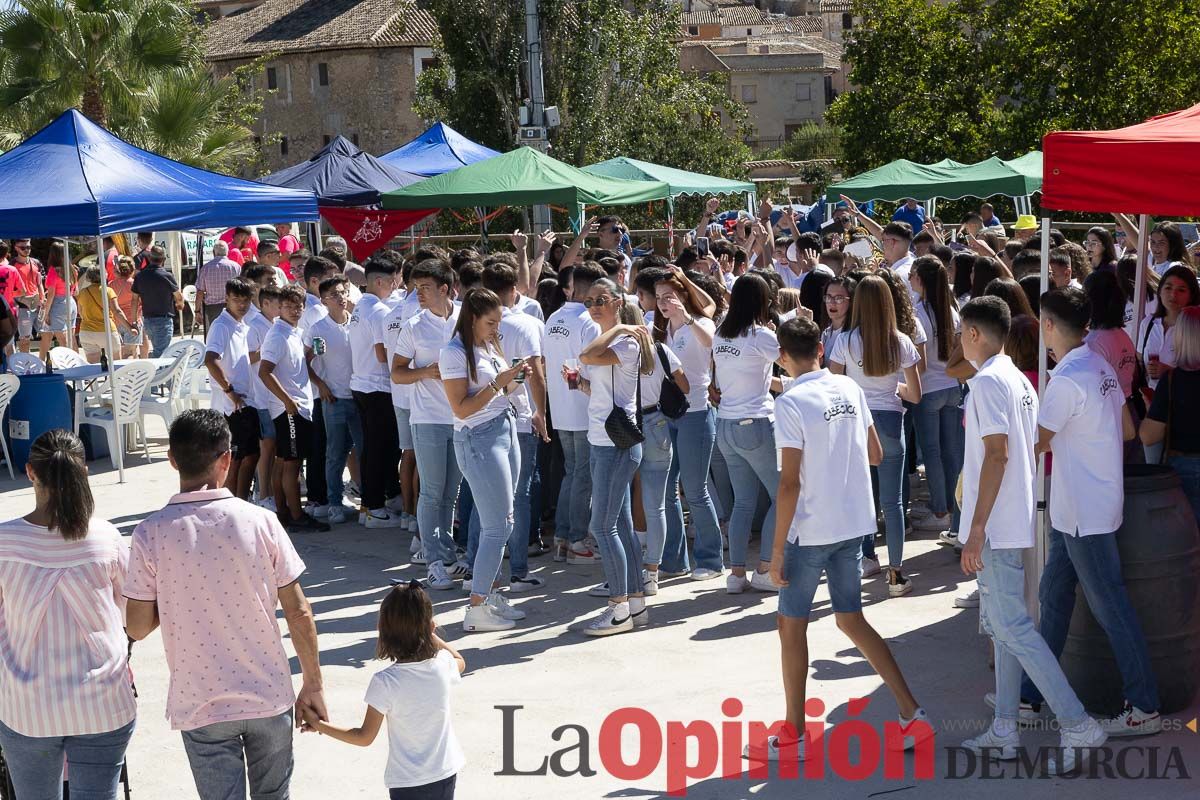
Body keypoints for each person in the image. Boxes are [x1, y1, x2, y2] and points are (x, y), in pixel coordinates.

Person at [747, 317, 932, 763]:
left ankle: (793, 734)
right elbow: (875, 453)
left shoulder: (791, 401)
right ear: (820, 347)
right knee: (851, 619)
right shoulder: (848, 388)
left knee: (791, 626)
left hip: (810, 531)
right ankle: (911, 712)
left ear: (783, 357)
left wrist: (774, 553)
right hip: (853, 525)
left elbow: (788, 483)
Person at [125, 410, 325, 800]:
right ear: (227, 459)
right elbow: (299, 611)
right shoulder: (261, 522)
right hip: (269, 696)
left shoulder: (150, 534)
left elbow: (135, 627)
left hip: (201, 703)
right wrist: (313, 684)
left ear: (171, 459)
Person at [956, 296, 1107, 773]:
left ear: (975, 334)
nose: (959, 340)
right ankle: (1005, 727)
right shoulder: (1017, 379)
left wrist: (976, 528)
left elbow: (997, 455)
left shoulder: (988, 384)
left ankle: (1077, 722)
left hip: (998, 526)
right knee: (1005, 630)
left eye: (962, 332)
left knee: (1014, 629)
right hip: (1012, 520)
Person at [1017, 287, 1161, 735]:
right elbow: (1125, 429)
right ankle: (1030, 696)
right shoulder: (1097, 364)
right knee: (1054, 595)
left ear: (1047, 325)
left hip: (1082, 513)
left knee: (1109, 607)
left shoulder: (1066, 378)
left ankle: (1144, 707)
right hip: (1084, 507)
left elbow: (1033, 445)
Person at [0, 429, 136, 799]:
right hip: (103, 703)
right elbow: (131, 617)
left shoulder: (4, 542)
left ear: (31, 472)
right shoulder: (107, 539)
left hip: (27, 708)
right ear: (84, 472)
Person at [301, 582, 465, 799]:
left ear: (383, 631)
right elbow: (459, 659)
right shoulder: (442, 666)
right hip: (446, 773)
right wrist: (429, 633)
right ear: (431, 627)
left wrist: (318, 724)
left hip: (409, 783)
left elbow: (364, 737)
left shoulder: (386, 682)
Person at [439, 289, 531, 630]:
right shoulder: (454, 353)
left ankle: (489, 597)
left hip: (502, 428)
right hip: (478, 437)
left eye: (498, 322)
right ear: (472, 318)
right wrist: (498, 385)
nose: (495, 329)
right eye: (490, 322)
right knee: (496, 527)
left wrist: (514, 381)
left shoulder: (487, 346)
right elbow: (460, 408)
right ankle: (476, 608)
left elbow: (499, 392)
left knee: (504, 523)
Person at [829, 276, 922, 594]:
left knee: (859, 500)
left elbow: (833, 386)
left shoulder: (845, 340)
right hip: (891, 424)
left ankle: (859, 562)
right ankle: (896, 574)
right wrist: (891, 386)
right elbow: (915, 395)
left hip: (856, 425)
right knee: (893, 504)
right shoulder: (902, 341)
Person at [576, 279, 654, 634]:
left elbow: (587, 355)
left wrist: (619, 325)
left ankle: (619, 606)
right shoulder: (615, 338)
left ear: (617, 302)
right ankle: (635, 604)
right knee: (619, 524)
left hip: (615, 445)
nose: (594, 306)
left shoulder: (625, 339)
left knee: (602, 527)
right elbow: (605, 386)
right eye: (589, 300)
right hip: (604, 440)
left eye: (601, 300)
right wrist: (581, 386)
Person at [394, 259, 468, 588]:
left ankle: (448, 556)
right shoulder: (413, 325)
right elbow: (396, 372)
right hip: (427, 419)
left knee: (451, 493)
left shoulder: (466, 316)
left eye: (425, 287)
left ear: (445, 289)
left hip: (461, 416)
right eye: (415, 287)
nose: (418, 293)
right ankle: (433, 560)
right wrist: (426, 372)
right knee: (432, 492)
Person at [712, 273, 782, 593]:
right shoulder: (761, 335)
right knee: (782, 496)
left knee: (742, 503)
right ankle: (765, 568)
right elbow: (792, 362)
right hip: (754, 423)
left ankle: (736, 574)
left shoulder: (720, 334)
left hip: (725, 424)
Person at [482, 263, 550, 592]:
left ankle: (480, 571)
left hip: (484, 417)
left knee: (486, 498)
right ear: (513, 290)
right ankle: (518, 570)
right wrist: (540, 412)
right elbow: (535, 372)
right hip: (520, 417)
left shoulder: (469, 324)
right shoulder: (527, 323)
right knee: (518, 498)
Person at [654, 271, 725, 581]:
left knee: (695, 490)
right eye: (658, 298)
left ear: (682, 295)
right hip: (667, 415)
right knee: (666, 490)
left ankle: (710, 559)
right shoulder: (659, 329)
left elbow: (712, 344)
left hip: (696, 413)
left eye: (668, 296)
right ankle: (674, 560)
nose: (663, 303)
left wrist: (688, 318)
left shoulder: (700, 323)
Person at [542, 262, 605, 564]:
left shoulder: (554, 317)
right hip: (583, 406)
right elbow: (592, 367)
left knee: (572, 472)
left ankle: (564, 537)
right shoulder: (588, 322)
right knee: (582, 476)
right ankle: (577, 539)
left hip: (561, 407)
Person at [260, 284, 329, 533]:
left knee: (284, 462)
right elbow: (264, 371)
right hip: (289, 409)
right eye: (288, 305)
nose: (294, 309)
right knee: (292, 464)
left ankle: (284, 513)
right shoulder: (277, 335)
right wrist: (288, 400)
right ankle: (296, 515)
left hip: (298, 406)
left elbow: (296, 366)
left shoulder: (293, 332)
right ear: (279, 307)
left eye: (298, 305)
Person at [909, 256, 962, 536]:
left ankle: (940, 510)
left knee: (933, 453)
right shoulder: (951, 309)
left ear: (922, 279)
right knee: (950, 451)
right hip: (951, 386)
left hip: (928, 389)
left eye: (913, 274)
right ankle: (953, 509)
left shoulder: (918, 311)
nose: (909, 278)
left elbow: (919, 361)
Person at [352, 257, 405, 528]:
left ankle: (379, 498)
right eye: (394, 281)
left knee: (374, 447)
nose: (396, 287)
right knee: (379, 449)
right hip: (377, 385)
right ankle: (372, 507)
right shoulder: (380, 311)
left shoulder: (361, 306)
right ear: (380, 281)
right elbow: (382, 354)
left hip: (362, 384)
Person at [305, 276, 362, 525]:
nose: (340, 298)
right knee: (335, 453)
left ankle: (367, 499)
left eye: (343, 292)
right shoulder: (319, 329)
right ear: (323, 301)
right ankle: (334, 503)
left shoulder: (356, 322)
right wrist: (321, 385)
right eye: (334, 295)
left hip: (359, 397)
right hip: (334, 399)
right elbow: (306, 362)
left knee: (363, 450)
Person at [1142, 306, 1200, 520]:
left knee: (1188, 540)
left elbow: (1149, 436)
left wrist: (1151, 409)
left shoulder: (1172, 381)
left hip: (1185, 469)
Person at [203, 277, 259, 499]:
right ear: (227, 299)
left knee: (250, 456)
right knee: (235, 460)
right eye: (236, 300)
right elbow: (210, 359)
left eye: (245, 300)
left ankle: (240, 501)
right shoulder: (221, 325)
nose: (242, 305)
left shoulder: (242, 324)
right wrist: (230, 390)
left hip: (247, 400)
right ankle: (231, 502)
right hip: (231, 405)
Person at [244, 269, 281, 509]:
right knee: (267, 445)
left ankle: (272, 492)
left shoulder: (276, 323)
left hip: (277, 395)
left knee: (276, 446)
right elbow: (249, 356)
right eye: (280, 304)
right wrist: (271, 352)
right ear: (266, 303)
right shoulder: (255, 324)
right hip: (262, 396)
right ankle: (264, 493)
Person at [1136, 263, 1200, 393]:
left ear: (1191, 295)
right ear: (1159, 291)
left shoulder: (1194, 328)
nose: (1173, 295)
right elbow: (1139, 360)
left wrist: (1169, 372)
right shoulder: (1147, 323)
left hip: (1183, 401)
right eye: (1168, 288)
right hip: (1152, 400)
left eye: (1181, 290)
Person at [76, 265, 137, 363]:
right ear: (104, 275)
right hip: (107, 331)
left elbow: (81, 312)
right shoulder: (108, 291)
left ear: (88, 277)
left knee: (94, 369)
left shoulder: (82, 292)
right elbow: (117, 311)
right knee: (116, 366)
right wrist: (130, 328)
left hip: (87, 332)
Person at [131, 245, 181, 357]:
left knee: (158, 350)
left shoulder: (140, 276)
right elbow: (178, 296)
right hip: (163, 320)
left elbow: (134, 300)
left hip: (148, 320)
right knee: (162, 354)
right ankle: (158, 373)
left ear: (149, 258)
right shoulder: (167, 276)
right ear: (163, 259)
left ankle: (155, 371)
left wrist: (134, 321)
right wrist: (180, 305)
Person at [38, 243, 75, 359]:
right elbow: (76, 290)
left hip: (58, 304)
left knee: (62, 339)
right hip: (71, 302)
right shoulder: (72, 269)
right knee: (71, 338)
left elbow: (51, 295)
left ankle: (69, 364)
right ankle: (77, 362)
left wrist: (46, 313)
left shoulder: (54, 271)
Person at [197, 240, 242, 331]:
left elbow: (200, 292)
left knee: (216, 333)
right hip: (232, 305)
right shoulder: (236, 267)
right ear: (227, 252)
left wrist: (197, 311)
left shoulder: (206, 268)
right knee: (233, 332)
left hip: (213, 308)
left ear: (214, 252)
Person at [11, 238, 43, 353]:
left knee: (46, 334)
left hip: (38, 305)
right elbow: (8, 288)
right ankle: (26, 364)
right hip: (22, 307)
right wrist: (21, 299)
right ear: (16, 248)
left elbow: (40, 283)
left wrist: (42, 300)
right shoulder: (12, 265)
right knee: (25, 338)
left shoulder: (36, 262)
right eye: (23, 248)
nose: (26, 250)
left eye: (28, 247)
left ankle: (42, 361)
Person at [109, 256, 143, 356]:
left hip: (117, 322)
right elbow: (139, 301)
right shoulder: (134, 284)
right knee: (129, 353)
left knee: (124, 352)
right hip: (133, 321)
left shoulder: (111, 284)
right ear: (132, 270)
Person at [820, 276, 855, 363]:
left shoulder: (854, 335)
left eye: (839, 298)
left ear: (851, 301)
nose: (832, 302)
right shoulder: (825, 333)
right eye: (828, 297)